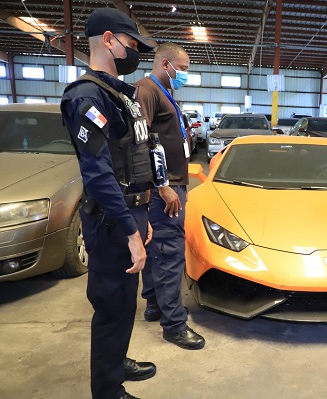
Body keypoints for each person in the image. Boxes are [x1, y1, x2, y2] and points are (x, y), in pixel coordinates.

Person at [61, 7, 158, 399]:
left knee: (124, 302)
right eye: (130, 44)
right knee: (111, 306)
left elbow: (132, 157)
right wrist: (129, 228)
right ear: (108, 40)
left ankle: (116, 361)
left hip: (128, 213)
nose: (134, 51)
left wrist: (141, 215)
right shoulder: (87, 96)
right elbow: (99, 175)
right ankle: (107, 388)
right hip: (110, 222)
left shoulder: (119, 93)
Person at [135, 43, 205, 350]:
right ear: (166, 64)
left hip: (172, 185)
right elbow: (141, 142)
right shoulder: (146, 91)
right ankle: (174, 324)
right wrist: (161, 185)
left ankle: (154, 304)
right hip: (163, 191)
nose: (185, 75)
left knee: (157, 251)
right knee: (168, 254)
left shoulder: (163, 92)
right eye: (184, 69)